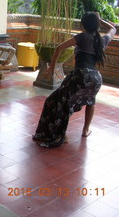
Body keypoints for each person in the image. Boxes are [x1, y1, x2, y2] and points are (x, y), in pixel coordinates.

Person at [33, 12, 116, 148]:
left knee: (57, 102)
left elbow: (59, 48)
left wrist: (51, 68)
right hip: (96, 78)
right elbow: (113, 29)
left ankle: (62, 135)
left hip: (81, 75)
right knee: (90, 101)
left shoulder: (83, 37)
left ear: (83, 25)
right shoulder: (102, 40)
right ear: (97, 25)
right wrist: (100, 20)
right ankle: (85, 130)